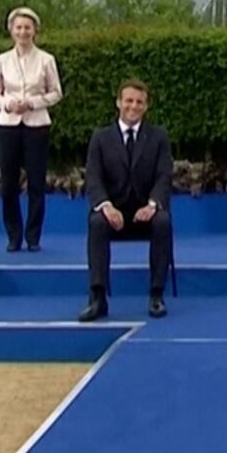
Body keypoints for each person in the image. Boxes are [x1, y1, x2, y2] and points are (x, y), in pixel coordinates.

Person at [78, 80, 174, 322]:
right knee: (97, 222)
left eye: (139, 102)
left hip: (145, 212)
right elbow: (93, 177)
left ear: (146, 106)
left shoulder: (158, 137)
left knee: (162, 221)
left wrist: (152, 205)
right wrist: (106, 206)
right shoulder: (100, 138)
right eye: (129, 101)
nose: (133, 106)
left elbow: (164, 176)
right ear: (118, 103)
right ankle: (98, 297)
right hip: (113, 212)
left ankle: (156, 295)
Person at [0, 7, 63, 252]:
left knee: (36, 182)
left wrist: (32, 102)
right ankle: (13, 235)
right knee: (8, 182)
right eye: (18, 27)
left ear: (35, 31)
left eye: (27, 27)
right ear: (11, 31)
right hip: (8, 125)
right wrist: (8, 104)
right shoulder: (2, 60)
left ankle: (33, 236)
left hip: (36, 125)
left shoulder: (46, 60)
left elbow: (56, 93)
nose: (23, 32)